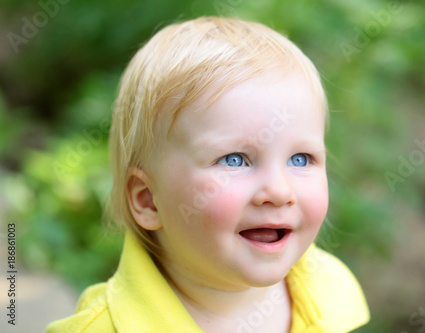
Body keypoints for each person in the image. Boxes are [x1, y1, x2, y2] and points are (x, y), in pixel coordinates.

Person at [46, 16, 370, 333]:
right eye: (235, 159)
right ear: (149, 200)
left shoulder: (328, 288)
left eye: (300, 159)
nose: (279, 190)